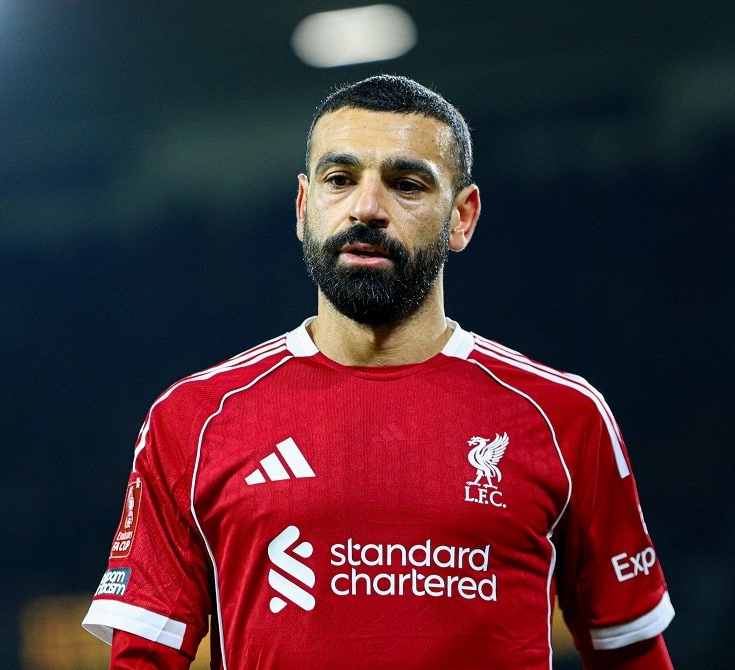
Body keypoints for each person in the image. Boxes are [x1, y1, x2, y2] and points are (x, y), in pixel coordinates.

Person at [82, 75, 675, 669]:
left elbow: (632, 651)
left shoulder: (563, 416)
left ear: (462, 217)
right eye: (340, 179)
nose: (366, 208)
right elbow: (143, 659)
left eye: (406, 184)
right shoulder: (193, 420)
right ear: (303, 207)